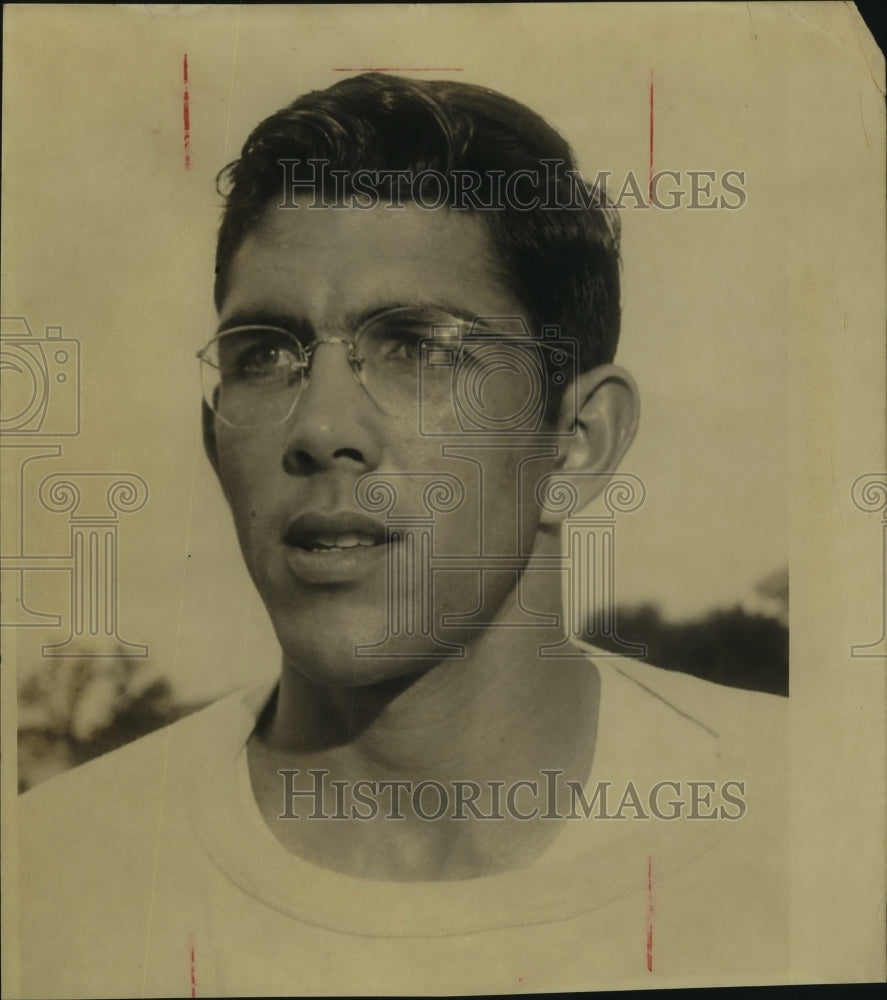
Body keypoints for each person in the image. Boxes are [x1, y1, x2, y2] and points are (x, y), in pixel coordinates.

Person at [18, 73, 788, 996]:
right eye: (264, 353)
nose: (318, 427)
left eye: (420, 348)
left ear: (576, 444)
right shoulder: (47, 881)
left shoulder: (816, 814)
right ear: (213, 438)